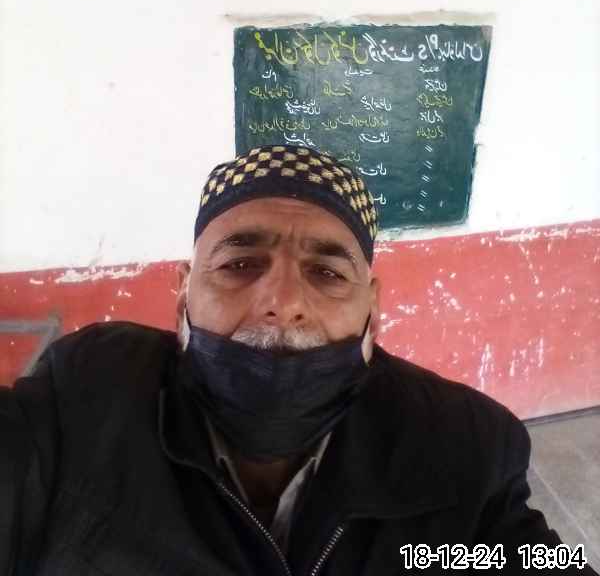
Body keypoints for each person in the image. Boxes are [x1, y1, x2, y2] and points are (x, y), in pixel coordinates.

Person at [1, 144, 596, 575]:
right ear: (183, 292)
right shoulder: (82, 401)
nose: (283, 302)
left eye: (327, 273)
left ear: (373, 306)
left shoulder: (463, 446)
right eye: (239, 264)